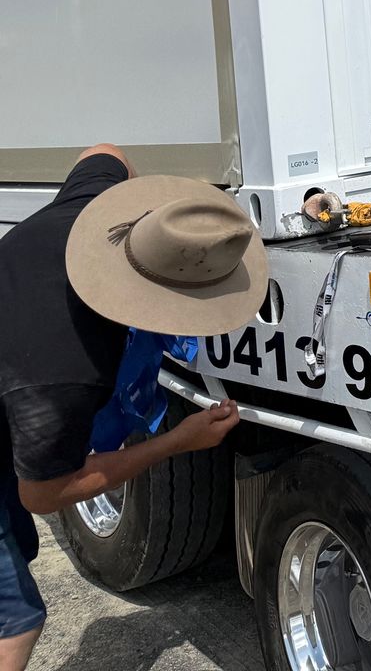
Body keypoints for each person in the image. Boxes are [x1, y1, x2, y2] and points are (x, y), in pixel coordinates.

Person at [0, 145, 266, 670]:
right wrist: (178, 441)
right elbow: (46, 493)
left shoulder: (89, 211)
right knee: (14, 622)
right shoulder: (68, 371)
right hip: (27, 384)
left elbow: (105, 152)